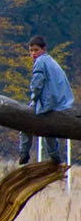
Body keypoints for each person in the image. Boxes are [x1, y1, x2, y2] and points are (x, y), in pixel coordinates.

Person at [18, 35, 74, 165]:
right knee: (48, 130)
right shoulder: (51, 61)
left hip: (49, 103)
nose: (33, 54)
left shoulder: (40, 62)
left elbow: (37, 85)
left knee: (24, 124)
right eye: (31, 51)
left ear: (43, 49)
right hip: (60, 103)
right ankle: (55, 157)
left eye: (36, 50)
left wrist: (33, 99)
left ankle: (24, 154)